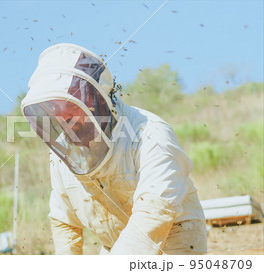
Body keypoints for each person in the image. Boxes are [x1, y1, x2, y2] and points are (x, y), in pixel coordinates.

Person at [21, 43, 207, 255]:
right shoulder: (62, 154)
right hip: (114, 245)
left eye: (71, 107)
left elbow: (155, 212)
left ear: (95, 101)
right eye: (56, 109)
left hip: (174, 239)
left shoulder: (150, 134)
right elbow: (65, 222)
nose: (64, 119)